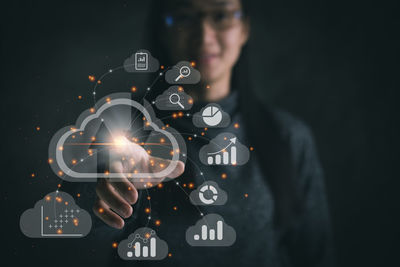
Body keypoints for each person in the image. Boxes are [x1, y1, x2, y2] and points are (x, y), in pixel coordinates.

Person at [83, 0, 334, 266]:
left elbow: (315, 253)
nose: (204, 35)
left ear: (244, 28)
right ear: (163, 31)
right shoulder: (121, 125)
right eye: (184, 17)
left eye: (221, 15)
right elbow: (91, 232)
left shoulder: (289, 137)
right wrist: (109, 193)